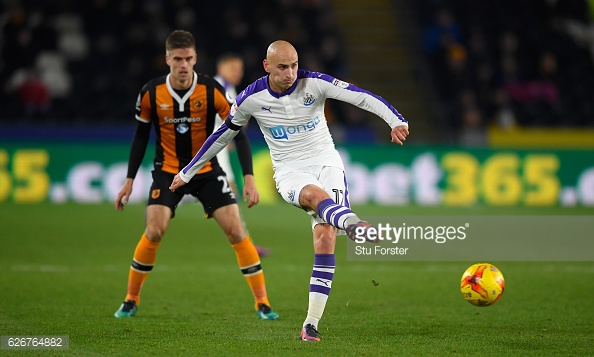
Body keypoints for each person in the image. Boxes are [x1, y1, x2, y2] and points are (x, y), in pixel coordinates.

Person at [169, 40, 409, 341]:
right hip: (289, 172)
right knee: (312, 196)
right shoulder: (250, 99)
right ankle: (354, 224)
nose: (290, 72)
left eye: (294, 65)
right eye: (283, 67)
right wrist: (187, 171)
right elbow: (221, 136)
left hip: (327, 164)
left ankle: (310, 323)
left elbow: (359, 97)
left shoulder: (315, 83)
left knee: (325, 238)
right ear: (267, 66)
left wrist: (395, 119)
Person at [113, 30, 278, 321]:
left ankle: (262, 303)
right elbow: (140, 137)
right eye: (177, 59)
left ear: (195, 58)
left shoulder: (211, 89)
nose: (183, 64)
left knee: (237, 230)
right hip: (167, 172)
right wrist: (129, 180)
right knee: (154, 230)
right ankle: (131, 299)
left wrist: (249, 177)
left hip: (205, 171)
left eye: (188, 58)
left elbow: (237, 132)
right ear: (167, 59)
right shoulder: (151, 93)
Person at [213, 52, 270, 257]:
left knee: (226, 193)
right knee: (228, 192)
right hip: (212, 150)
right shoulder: (219, 85)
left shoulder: (228, 87)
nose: (238, 73)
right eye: (233, 69)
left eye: (240, 70)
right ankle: (246, 244)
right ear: (222, 68)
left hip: (217, 148)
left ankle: (246, 243)